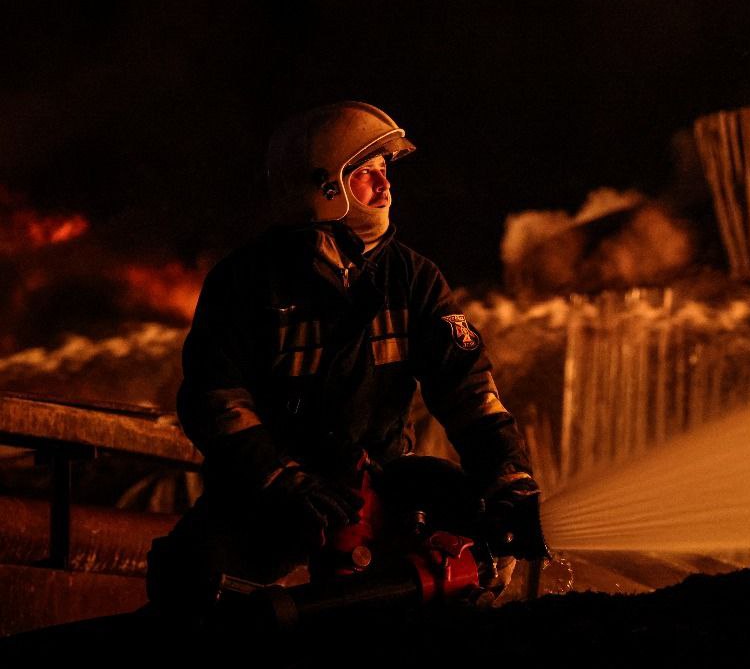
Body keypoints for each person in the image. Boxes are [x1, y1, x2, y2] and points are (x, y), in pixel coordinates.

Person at [146, 101, 542, 610]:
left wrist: (509, 482)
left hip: (383, 489)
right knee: (188, 579)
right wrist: (281, 478)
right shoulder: (247, 282)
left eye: (385, 173)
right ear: (324, 187)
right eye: (366, 175)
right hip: (273, 493)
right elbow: (215, 397)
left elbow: (467, 390)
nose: (386, 188)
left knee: (466, 560)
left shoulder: (413, 279)